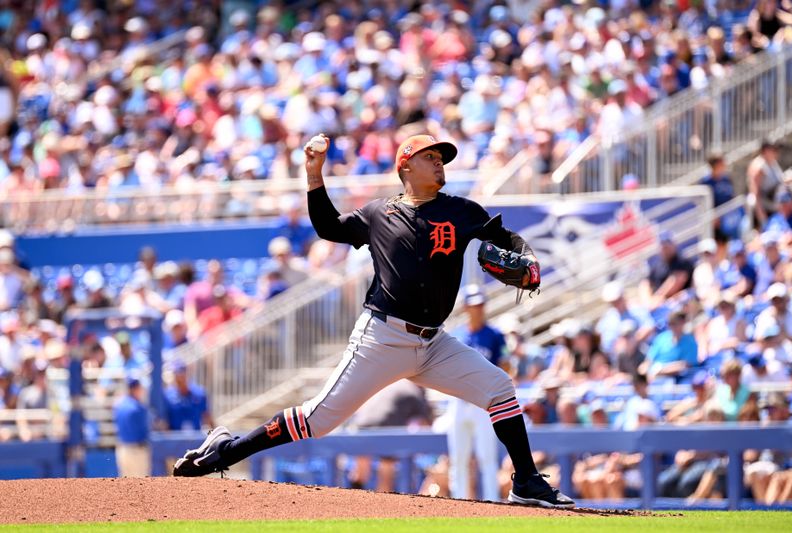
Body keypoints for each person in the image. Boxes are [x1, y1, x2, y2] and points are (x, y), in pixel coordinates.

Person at [173, 133, 574, 507]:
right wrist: (314, 176)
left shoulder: (462, 211)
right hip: (382, 338)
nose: (439, 164)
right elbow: (328, 227)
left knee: (500, 388)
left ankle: (525, 481)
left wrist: (531, 261)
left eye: (441, 158)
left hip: (433, 343)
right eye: (430, 157)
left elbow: (508, 240)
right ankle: (224, 451)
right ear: (405, 167)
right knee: (318, 420)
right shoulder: (379, 213)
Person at [446, 285, 506, 502]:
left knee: (486, 457)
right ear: (465, 307)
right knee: (459, 457)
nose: (478, 309)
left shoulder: (495, 335)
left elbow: (506, 366)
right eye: (474, 305)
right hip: (460, 401)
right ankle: (459, 501)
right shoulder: (456, 335)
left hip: (484, 403)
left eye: (481, 304)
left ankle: (491, 501)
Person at [113, 377, 151, 477]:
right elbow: (145, 432)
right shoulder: (138, 407)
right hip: (137, 451)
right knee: (141, 486)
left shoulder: (119, 405)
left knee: (125, 486)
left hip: (122, 450)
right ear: (135, 388)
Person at [162, 360, 213, 431]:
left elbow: (207, 417)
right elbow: (164, 421)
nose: (180, 378)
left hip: (196, 438)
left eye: (182, 373)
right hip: (175, 438)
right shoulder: (167, 395)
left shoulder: (199, 393)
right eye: (177, 374)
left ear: (187, 373)